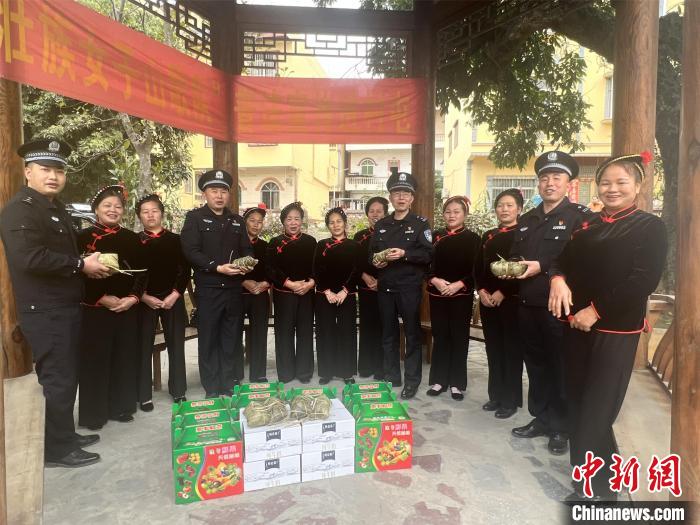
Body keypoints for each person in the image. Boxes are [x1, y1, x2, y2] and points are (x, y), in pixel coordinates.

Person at [549, 152, 667, 502]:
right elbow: (560, 260)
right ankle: (597, 481)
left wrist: (595, 311)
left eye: (621, 182)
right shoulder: (587, 224)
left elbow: (642, 280)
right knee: (577, 401)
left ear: (638, 186)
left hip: (614, 330)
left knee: (597, 407)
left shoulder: (650, 227)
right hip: (575, 325)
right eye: (605, 182)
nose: (611, 189)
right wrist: (557, 279)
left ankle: (596, 489)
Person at [0, 139, 109, 468]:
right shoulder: (21, 209)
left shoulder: (54, 207)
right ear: (28, 171)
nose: (53, 176)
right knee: (57, 380)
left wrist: (84, 262)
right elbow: (29, 258)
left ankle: (63, 435)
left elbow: (59, 254)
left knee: (65, 375)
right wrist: (80, 266)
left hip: (64, 306)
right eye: (45, 169)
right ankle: (58, 450)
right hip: (45, 310)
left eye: (59, 171)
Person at [509, 151, 593, 455]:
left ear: (569, 183)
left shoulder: (580, 218)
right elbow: (520, 258)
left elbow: (584, 262)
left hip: (559, 309)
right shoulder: (528, 219)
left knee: (560, 367)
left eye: (556, 178)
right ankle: (540, 419)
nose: (549, 183)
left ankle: (561, 427)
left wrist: (543, 266)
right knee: (536, 366)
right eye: (544, 178)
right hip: (528, 303)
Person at [78, 185, 145, 431]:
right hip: (94, 309)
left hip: (126, 307)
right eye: (107, 206)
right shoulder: (82, 238)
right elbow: (76, 276)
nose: (113, 210)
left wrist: (132, 298)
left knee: (124, 357)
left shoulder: (132, 238)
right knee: (95, 360)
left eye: (118, 206)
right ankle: (94, 414)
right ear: (96, 209)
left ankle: (122, 407)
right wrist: (101, 298)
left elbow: (143, 273)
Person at [180, 170, 252, 398]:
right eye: (214, 191)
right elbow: (190, 251)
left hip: (233, 290)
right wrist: (216, 267)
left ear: (228, 195)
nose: (219, 196)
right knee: (209, 338)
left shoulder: (237, 221)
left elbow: (247, 250)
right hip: (209, 288)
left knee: (231, 338)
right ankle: (211, 387)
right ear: (205, 194)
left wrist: (245, 264)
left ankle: (228, 382)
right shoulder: (195, 218)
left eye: (223, 191)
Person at [370, 171, 433, 399]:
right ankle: (391, 376)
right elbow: (372, 256)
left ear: (412, 198)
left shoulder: (420, 224)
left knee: (413, 335)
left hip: (409, 289)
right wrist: (378, 259)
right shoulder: (382, 225)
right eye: (397, 193)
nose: (401, 197)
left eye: (406, 193)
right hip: (386, 288)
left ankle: (412, 381)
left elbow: (428, 255)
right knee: (388, 335)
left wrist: (405, 254)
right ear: (391, 197)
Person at [136, 194, 190, 411]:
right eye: (145, 211)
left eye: (154, 210)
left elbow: (184, 270)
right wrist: (143, 296)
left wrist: (175, 295)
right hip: (144, 300)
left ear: (162, 213)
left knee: (176, 345)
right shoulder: (135, 241)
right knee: (143, 346)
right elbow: (130, 273)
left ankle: (179, 390)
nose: (150, 215)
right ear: (140, 216)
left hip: (172, 298)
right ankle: (143, 394)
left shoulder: (176, 240)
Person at [476, 189, 524, 419]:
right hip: (487, 301)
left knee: (511, 350)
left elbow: (523, 269)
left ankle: (510, 400)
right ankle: (495, 395)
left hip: (511, 301)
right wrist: (482, 290)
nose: (504, 209)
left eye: (509, 205)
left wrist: (502, 292)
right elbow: (480, 266)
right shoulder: (489, 235)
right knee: (493, 349)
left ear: (519, 209)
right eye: (500, 205)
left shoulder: (524, 234)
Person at [426, 196, 480, 401]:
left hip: (461, 295)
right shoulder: (434, 236)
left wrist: (459, 284)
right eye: (448, 211)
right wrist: (435, 280)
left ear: (464, 214)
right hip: (437, 294)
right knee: (441, 336)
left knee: (459, 337)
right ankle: (439, 380)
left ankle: (457, 383)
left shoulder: (473, 238)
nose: (452, 215)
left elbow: (476, 268)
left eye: (456, 211)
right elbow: (425, 264)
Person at [266, 202, 317, 383]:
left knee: (304, 333)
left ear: (302, 221)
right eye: (289, 219)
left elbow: (317, 267)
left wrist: (310, 283)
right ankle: (286, 373)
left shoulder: (311, 242)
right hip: (284, 294)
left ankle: (304, 373)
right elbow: (271, 269)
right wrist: (289, 284)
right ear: (283, 222)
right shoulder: (275, 242)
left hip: (306, 294)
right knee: (284, 333)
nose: (293, 222)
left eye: (297, 218)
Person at [313, 207, 360, 385]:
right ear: (328, 226)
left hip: (346, 295)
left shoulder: (355, 246)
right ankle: (326, 371)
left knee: (347, 332)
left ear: (345, 223)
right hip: (325, 296)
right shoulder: (321, 245)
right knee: (325, 332)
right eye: (331, 222)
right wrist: (327, 291)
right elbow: (316, 269)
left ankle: (347, 372)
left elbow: (357, 270)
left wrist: (345, 290)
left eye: (339, 221)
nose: (336, 225)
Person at [354, 196, 391, 379]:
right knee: (367, 327)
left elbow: (395, 263)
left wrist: (380, 281)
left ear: (385, 213)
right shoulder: (359, 236)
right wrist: (365, 276)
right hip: (366, 288)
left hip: (386, 289)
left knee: (384, 328)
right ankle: (366, 366)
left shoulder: (392, 234)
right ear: (367, 214)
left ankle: (381, 368)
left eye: (379, 211)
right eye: (372, 211)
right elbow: (355, 262)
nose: (375, 214)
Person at [240, 204, 271, 382]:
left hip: (260, 294)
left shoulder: (266, 246)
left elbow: (272, 270)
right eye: (252, 221)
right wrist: (244, 282)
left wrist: (265, 283)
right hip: (238, 294)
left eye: (259, 222)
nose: (256, 225)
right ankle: (235, 374)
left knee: (260, 333)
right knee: (234, 334)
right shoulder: (235, 243)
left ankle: (258, 373)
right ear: (245, 222)